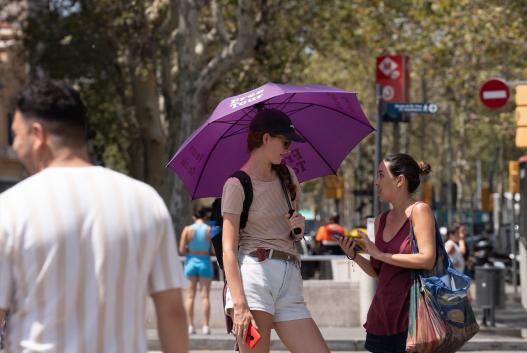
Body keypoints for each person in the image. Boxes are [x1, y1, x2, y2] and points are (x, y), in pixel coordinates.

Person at [0, 79, 187, 353]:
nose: (15, 145)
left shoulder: (11, 208)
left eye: (15, 134)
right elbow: (171, 310)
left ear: (37, 134)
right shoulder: (145, 202)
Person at [221, 108, 330, 353]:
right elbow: (229, 249)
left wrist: (298, 229)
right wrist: (239, 305)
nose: (288, 149)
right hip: (252, 279)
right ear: (266, 138)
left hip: (290, 278)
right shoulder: (236, 184)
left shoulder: (287, 176)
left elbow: (293, 232)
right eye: (285, 142)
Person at [338, 153, 435, 353]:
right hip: (381, 317)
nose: (376, 182)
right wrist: (354, 255)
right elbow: (378, 272)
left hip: (412, 319)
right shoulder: (381, 220)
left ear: (399, 180)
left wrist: (380, 254)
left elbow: (427, 259)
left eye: (381, 175)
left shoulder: (419, 211)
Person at [179, 207, 214, 335]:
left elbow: (182, 249)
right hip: (204, 261)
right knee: (205, 296)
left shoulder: (187, 230)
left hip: (191, 262)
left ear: (194, 216)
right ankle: (206, 326)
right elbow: (214, 251)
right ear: (205, 216)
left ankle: (190, 326)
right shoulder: (209, 230)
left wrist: (190, 248)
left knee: (190, 296)